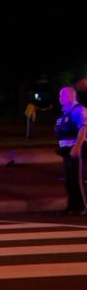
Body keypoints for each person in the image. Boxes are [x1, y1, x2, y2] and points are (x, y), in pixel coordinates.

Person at [55, 86, 87, 215]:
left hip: (76, 149)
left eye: (62, 95)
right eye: (59, 96)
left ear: (71, 95)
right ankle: (72, 206)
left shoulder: (78, 110)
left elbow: (84, 128)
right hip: (67, 150)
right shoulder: (66, 111)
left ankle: (82, 206)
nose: (60, 98)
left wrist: (77, 147)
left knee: (77, 179)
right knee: (69, 180)